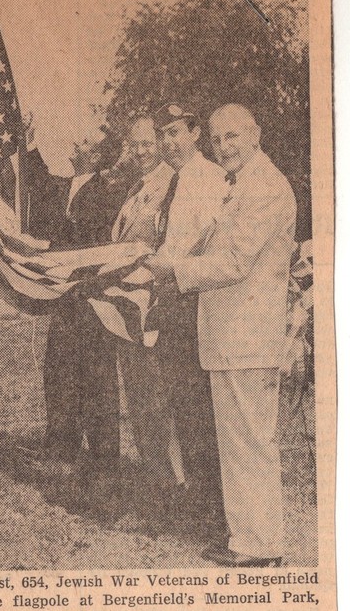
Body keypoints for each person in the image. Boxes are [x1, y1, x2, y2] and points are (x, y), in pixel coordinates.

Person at [146, 104, 296, 567]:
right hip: (232, 338)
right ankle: (248, 537)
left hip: (247, 337)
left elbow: (234, 263)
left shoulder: (266, 188)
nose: (224, 147)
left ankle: (258, 545)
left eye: (234, 137)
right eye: (217, 139)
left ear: (256, 135)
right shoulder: (243, 186)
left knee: (249, 441)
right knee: (240, 442)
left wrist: (176, 269)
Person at [147, 103, 230, 537]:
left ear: (196, 132)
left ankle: (214, 510)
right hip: (175, 302)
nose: (168, 143)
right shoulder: (174, 182)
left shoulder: (212, 178)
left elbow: (206, 246)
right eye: (162, 135)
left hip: (199, 303)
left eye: (176, 132)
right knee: (183, 406)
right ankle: (200, 500)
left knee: (201, 409)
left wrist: (157, 263)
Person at [41, 126, 127, 473]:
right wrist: (29, 142)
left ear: (95, 156)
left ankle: (104, 456)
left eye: (83, 140)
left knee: (97, 377)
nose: (74, 141)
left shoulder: (105, 193)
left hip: (92, 301)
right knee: (59, 371)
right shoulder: (64, 186)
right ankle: (63, 446)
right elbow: (38, 182)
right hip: (66, 300)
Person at [111, 116, 183, 510]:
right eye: (134, 144)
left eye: (147, 143)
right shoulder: (135, 188)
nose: (140, 152)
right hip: (130, 310)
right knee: (140, 398)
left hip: (154, 308)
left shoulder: (171, 183)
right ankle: (158, 483)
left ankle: (168, 488)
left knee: (155, 401)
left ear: (160, 142)